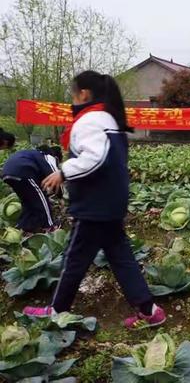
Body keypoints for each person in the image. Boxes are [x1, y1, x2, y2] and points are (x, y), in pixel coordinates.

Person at [23, 70, 165, 328]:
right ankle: (149, 310)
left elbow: (95, 158)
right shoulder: (109, 118)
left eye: (73, 94)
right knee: (120, 257)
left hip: (94, 206)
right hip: (111, 203)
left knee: (74, 260)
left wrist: (63, 172)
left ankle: (57, 310)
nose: (71, 100)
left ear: (84, 94)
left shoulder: (90, 121)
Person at [2, 145, 62, 232]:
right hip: (22, 171)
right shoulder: (48, 156)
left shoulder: (32, 155)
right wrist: (60, 194)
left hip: (7, 173)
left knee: (27, 201)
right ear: (56, 157)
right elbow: (53, 174)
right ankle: (50, 226)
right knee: (42, 200)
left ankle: (23, 226)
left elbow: (42, 180)